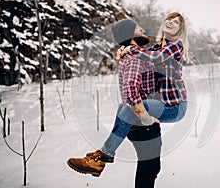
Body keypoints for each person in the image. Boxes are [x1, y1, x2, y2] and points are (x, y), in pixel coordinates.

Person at [67, 19, 161, 180]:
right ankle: (103, 156)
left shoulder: (133, 55)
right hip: (143, 122)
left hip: (134, 120)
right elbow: (131, 93)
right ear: (130, 33)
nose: (142, 28)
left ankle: (102, 157)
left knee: (149, 168)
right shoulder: (135, 59)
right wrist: (145, 118)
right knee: (149, 169)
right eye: (138, 27)